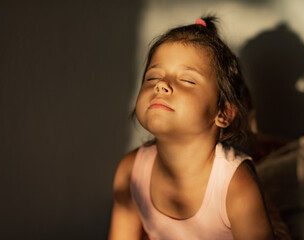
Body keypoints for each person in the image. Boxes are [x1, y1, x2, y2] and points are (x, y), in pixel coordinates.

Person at [108, 16, 274, 240]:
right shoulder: (131, 170)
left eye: (187, 80)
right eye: (153, 77)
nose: (161, 85)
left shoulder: (235, 185)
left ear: (222, 113)